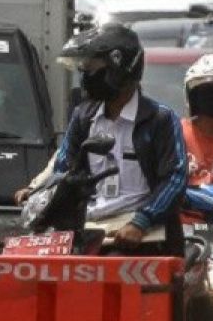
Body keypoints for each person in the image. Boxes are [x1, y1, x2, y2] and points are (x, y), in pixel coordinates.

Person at [25, 23, 187, 254]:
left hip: (144, 235)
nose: (86, 76)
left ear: (120, 68)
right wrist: (39, 193)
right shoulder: (84, 116)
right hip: (88, 228)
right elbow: (64, 165)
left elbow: (175, 178)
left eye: (92, 67)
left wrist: (141, 222)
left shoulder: (159, 119)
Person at [180, 54, 213, 218]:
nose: (212, 99)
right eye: (206, 92)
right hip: (182, 235)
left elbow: (173, 194)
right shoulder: (174, 134)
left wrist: (185, 196)